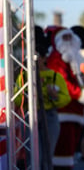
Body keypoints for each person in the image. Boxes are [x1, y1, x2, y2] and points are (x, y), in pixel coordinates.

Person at [14, 25, 71, 169]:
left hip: (50, 116)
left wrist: (55, 97)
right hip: (30, 116)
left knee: (47, 154)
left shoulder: (55, 76)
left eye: (37, 57)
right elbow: (16, 99)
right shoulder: (24, 75)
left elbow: (66, 98)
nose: (35, 62)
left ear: (44, 57)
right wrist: (25, 99)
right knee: (32, 155)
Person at [45, 25, 84, 170]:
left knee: (68, 152)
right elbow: (63, 83)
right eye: (65, 37)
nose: (68, 41)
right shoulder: (56, 59)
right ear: (57, 41)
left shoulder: (70, 59)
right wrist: (80, 94)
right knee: (62, 155)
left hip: (73, 113)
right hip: (63, 112)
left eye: (70, 37)